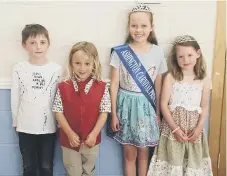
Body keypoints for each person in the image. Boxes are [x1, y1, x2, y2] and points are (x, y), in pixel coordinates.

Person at [107, 4, 167, 176]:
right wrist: (114, 113)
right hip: (125, 106)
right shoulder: (120, 52)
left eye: (143, 26)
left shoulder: (158, 52)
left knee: (143, 154)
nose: (138, 30)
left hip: (147, 108)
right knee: (129, 154)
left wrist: (157, 113)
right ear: (128, 27)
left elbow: (158, 86)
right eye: (134, 25)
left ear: (151, 28)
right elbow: (114, 84)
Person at [147, 35, 213, 176]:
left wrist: (199, 128)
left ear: (198, 54)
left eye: (189, 55)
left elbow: (205, 106)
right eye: (181, 56)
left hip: (193, 131)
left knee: (191, 164)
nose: (186, 60)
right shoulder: (171, 77)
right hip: (172, 129)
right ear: (175, 58)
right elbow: (164, 104)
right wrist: (175, 129)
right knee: (172, 163)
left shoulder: (204, 79)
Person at [52, 41, 111, 176]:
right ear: (71, 64)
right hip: (69, 141)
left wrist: (94, 134)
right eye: (77, 63)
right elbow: (58, 112)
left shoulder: (102, 87)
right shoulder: (63, 86)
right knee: (73, 172)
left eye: (87, 64)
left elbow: (104, 113)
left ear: (94, 64)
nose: (82, 68)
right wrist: (70, 133)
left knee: (88, 172)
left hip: (91, 140)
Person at [11, 24, 62, 176]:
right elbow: (15, 97)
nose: (38, 47)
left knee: (46, 167)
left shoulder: (56, 69)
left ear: (48, 44)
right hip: (25, 127)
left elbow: (59, 99)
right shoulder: (19, 68)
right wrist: (16, 121)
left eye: (42, 42)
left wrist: (59, 122)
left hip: (49, 128)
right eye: (32, 42)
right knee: (29, 167)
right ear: (24, 45)